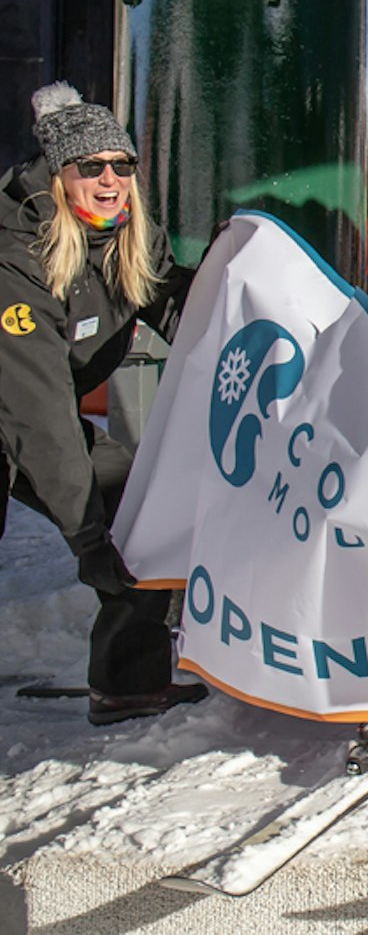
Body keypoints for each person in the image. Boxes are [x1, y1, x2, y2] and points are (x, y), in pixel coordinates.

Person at [0, 83, 207, 726]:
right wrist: (89, 535)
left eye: (121, 166)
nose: (110, 180)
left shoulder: (125, 239)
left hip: (35, 405)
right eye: (90, 168)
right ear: (60, 175)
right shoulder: (18, 254)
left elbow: (177, 302)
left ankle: (130, 684)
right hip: (19, 401)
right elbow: (38, 416)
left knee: (140, 516)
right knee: (106, 526)